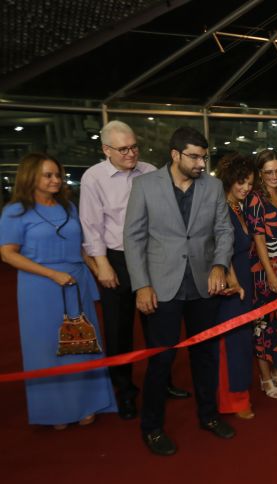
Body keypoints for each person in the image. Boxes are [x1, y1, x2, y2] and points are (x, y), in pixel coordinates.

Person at [124, 126, 235, 456]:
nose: (201, 163)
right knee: (161, 361)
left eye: (204, 157)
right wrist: (142, 285)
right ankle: (152, 427)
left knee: (205, 357)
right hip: (162, 287)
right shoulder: (145, 186)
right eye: (194, 157)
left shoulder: (212, 186)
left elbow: (224, 230)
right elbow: (133, 239)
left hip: (203, 285)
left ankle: (208, 416)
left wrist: (219, 264)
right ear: (175, 155)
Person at [0, 153, 117, 429]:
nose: (55, 180)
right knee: (47, 349)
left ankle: (88, 403)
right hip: (39, 287)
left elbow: (80, 247)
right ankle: (56, 410)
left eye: (57, 175)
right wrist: (52, 274)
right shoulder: (15, 211)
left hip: (76, 283)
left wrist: (97, 270)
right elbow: (7, 254)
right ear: (30, 177)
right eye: (48, 175)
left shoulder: (69, 207)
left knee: (84, 344)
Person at [78, 120, 157, 420]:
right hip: (116, 259)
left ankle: (161, 383)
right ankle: (124, 393)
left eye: (134, 146)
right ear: (106, 150)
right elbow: (91, 225)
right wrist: (102, 265)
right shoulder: (93, 177)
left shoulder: (150, 171)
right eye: (123, 149)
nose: (131, 153)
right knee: (118, 330)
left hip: (150, 257)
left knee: (158, 325)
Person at [245, 149, 277, 399]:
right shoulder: (254, 198)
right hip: (265, 270)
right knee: (263, 325)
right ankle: (265, 377)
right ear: (260, 174)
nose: (275, 176)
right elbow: (259, 240)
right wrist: (271, 275)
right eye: (268, 172)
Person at [215, 153, 256, 420]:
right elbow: (220, 248)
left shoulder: (238, 207)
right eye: (241, 182)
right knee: (231, 342)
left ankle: (239, 395)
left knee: (241, 341)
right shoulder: (221, 208)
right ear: (230, 180)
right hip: (231, 282)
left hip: (244, 279)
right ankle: (233, 400)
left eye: (250, 183)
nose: (246, 188)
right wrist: (231, 279)